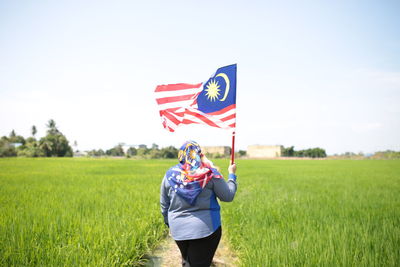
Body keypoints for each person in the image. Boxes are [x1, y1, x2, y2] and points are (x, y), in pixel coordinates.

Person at [160, 140, 237, 267]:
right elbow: (227, 196)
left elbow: (164, 205)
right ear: (199, 154)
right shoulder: (209, 173)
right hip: (206, 229)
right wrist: (232, 175)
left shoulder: (170, 175)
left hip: (178, 229)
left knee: (187, 262)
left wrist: (170, 223)